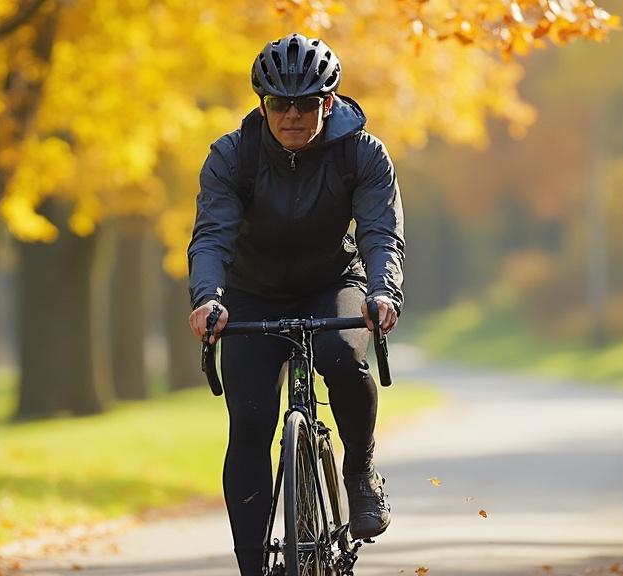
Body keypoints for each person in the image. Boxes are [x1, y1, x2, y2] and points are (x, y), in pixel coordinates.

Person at [187, 32, 405, 576]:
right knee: (252, 423)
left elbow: (381, 231)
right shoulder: (231, 157)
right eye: (279, 103)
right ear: (262, 104)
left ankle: (359, 470)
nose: (291, 114)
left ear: (327, 103)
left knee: (343, 357)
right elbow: (212, 235)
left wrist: (383, 290)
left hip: (332, 281)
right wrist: (208, 298)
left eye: (305, 103)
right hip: (250, 291)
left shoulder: (362, 153)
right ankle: (253, 568)